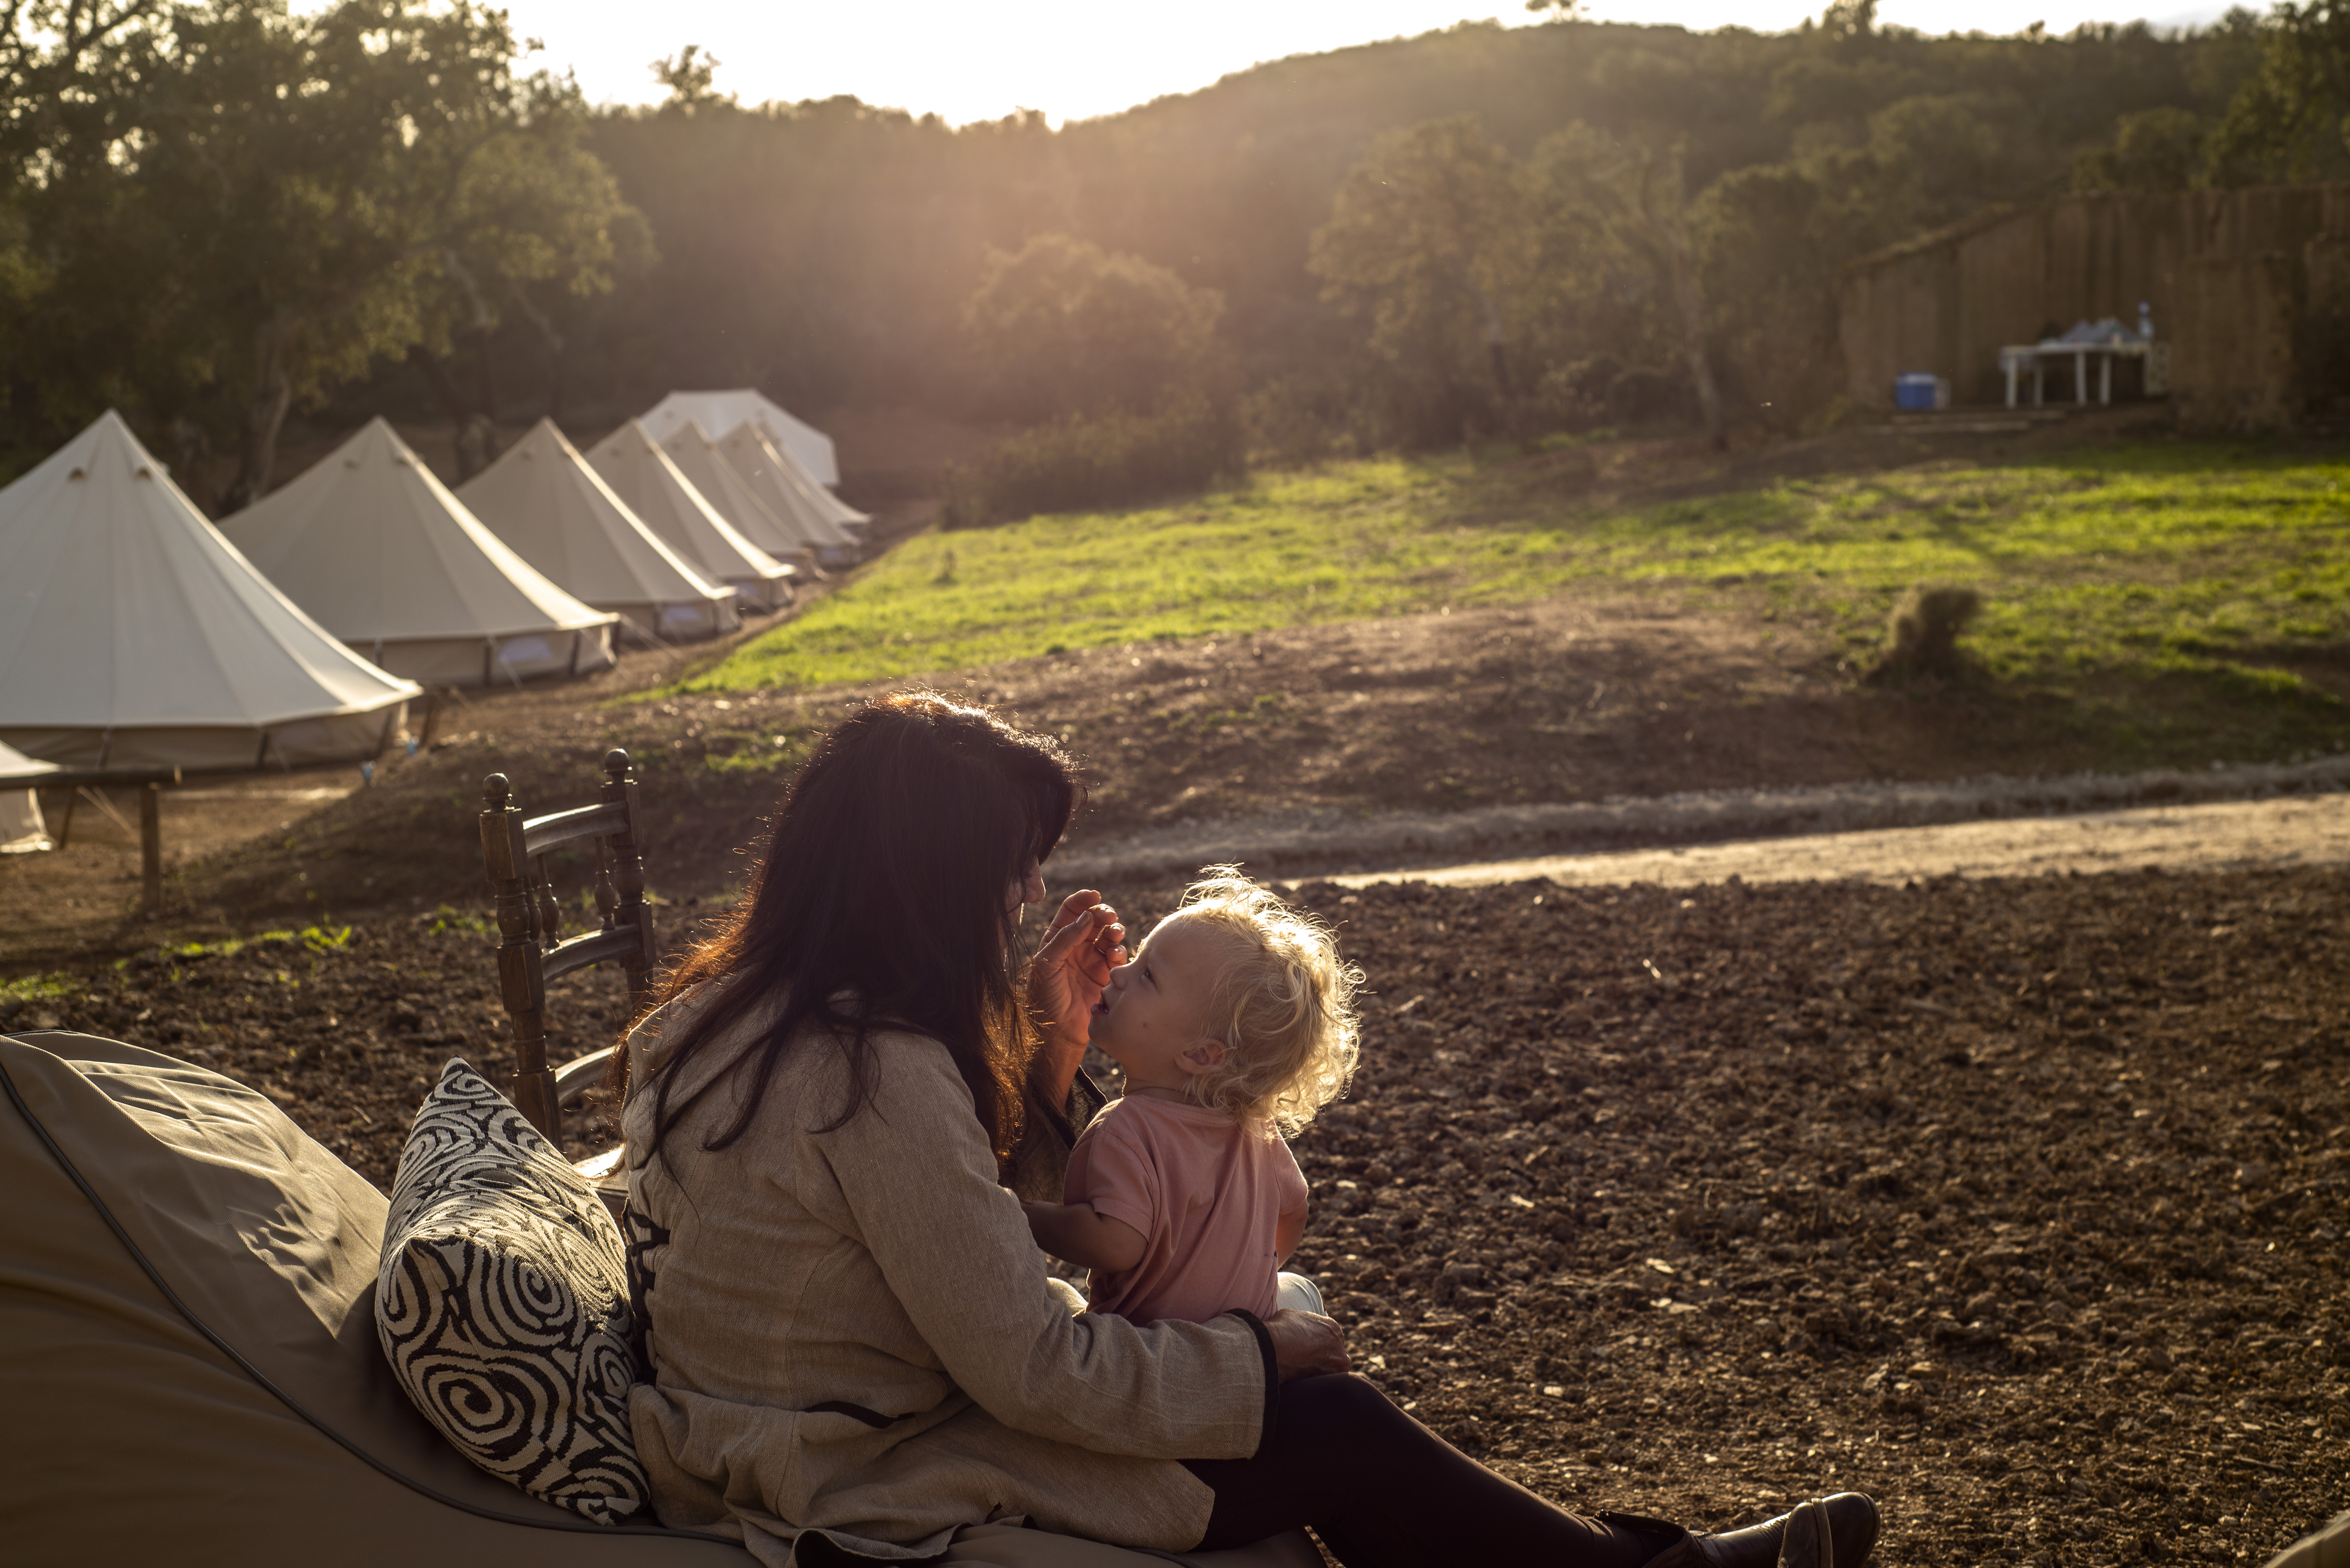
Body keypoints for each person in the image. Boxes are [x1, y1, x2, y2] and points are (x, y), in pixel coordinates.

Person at [617, 690, 1883, 1568]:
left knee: (1315, 1408)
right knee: (1329, 1423)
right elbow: (1032, 1366)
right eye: (1012, 863)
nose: (1026, 895)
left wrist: (1051, 1056)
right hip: (845, 1467)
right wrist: (1254, 1355)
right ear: (929, 877)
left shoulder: (727, 1012)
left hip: (777, 1417)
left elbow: (939, 1227)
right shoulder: (868, 1070)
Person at [1022, 871, 1359, 1327]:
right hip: (1244, 1336)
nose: (1119, 973)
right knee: (1297, 1290)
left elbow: (1117, 1242)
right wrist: (1241, 1270)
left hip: (1152, 1353)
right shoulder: (1255, 1129)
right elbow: (1294, 1205)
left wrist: (1021, 1213)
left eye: (1147, 977)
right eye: (1135, 958)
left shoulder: (1126, 1127)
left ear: (1201, 1053)